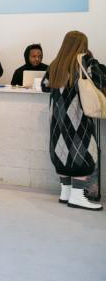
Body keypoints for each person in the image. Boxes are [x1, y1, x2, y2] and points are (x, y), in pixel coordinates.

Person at [42, 31, 104, 211]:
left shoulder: (55, 64)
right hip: (78, 118)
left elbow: (45, 86)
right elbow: (100, 81)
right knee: (83, 154)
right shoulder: (86, 61)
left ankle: (66, 193)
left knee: (62, 153)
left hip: (58, 119)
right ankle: (77, 197)